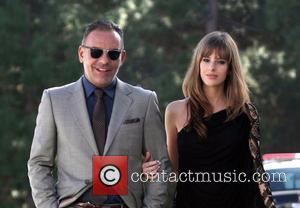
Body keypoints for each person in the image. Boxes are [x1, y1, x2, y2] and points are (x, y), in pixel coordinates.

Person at [28, 20, 171, 208]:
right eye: (95, 52)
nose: (104, 60)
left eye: (113, 54)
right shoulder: (54, 100)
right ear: (81, 53)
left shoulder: (144, 101)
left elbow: (161, 165)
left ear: (122, 57)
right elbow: (39, 163)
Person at [142, 31, 276, 208]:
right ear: (197, 63)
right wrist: (148, 172)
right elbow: (173, 171)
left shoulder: (245, 113)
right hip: (190, 202)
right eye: (206, 60)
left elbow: (255, 171)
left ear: (230, 69)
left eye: (220, 62)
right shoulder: (175, 111)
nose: (211, 67)